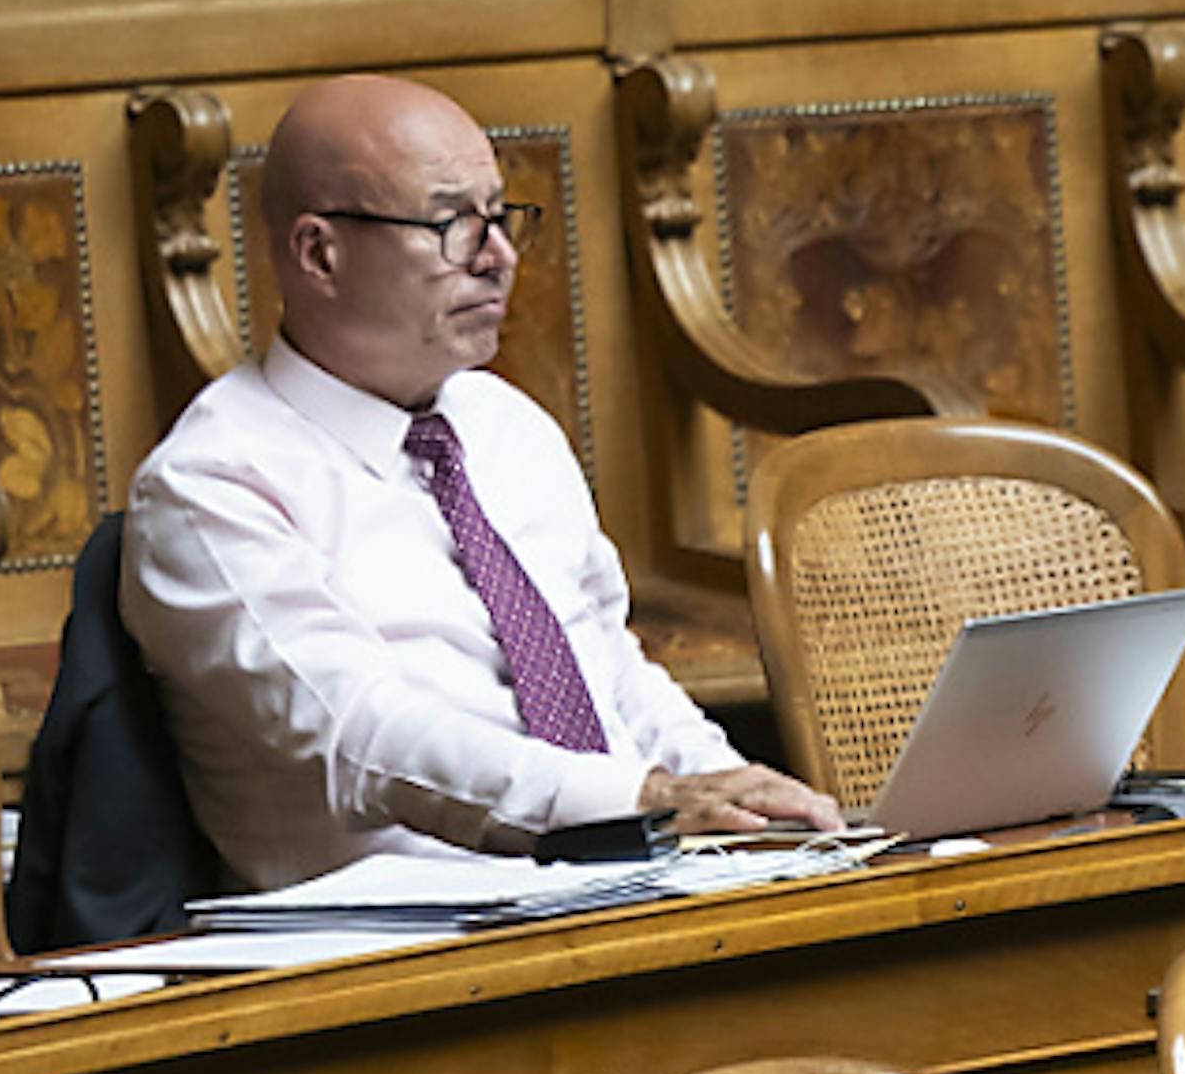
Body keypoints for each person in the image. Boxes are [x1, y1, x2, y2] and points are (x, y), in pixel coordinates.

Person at [125, 74, 838, 889]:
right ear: (320, 253)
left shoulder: (503, 424)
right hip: (415, 944)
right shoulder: (214, 483)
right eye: (450, 224)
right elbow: (362, 738)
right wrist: (640, 801)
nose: (498, 256)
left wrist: (748, 806)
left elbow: (612, 671)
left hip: (632, 884)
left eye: (499, 216)